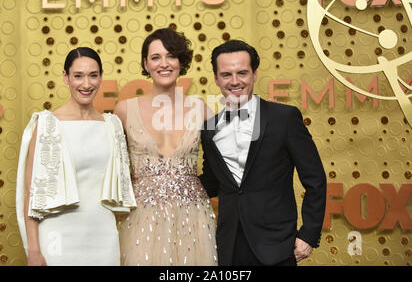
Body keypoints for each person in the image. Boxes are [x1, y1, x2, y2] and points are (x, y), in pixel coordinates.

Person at [199, 40, 327, 266]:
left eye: (242, 73)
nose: (235, 81)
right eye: (226, 74)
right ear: (216, 78)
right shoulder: (209, 128)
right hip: (228, 247)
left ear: (255, 74)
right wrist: (169, 183)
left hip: (277, 245)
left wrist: (308, 234)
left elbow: (315, 178)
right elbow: (212, 183)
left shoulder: (284, 118)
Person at [15, 47, 136, 266]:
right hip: (57, 237)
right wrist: (33, 250)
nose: (86, 84)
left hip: (104, 236)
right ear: (65, 77)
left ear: (101, 77)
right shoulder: (47, 124)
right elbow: (31, 194)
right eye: (78, 76)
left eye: (93, 75)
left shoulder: (112, 126)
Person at [114, 28, 217, 266]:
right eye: (156, 57)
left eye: (171, 56)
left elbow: (220, 167)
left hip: (194, 216)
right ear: (145, 64)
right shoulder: (124, 110)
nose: (164, 63)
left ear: (181, 61)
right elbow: (112, 169)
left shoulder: (201, 109)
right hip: (141, 217)